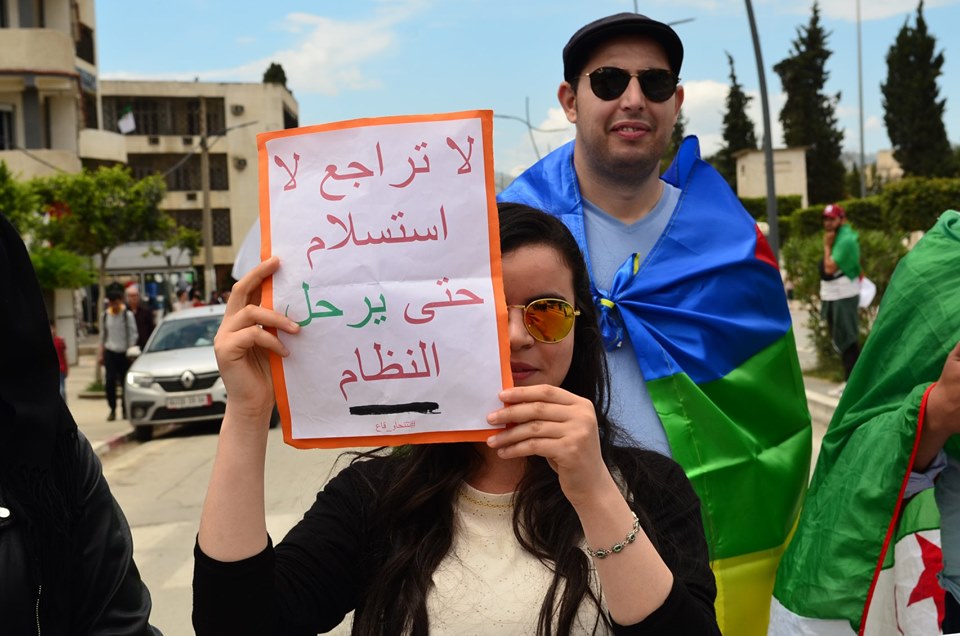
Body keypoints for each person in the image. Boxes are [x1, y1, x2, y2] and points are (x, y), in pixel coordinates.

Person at [193, 204, 720, 635]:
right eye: (486, 310)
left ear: (578, 328)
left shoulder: (651, 489)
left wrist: (594, 492)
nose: (518, 336)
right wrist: (246, 413)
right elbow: (237, 625)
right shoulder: (375, 497)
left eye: (548, 311)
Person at [496, 12, 811, 636]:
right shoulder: (503, 231)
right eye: (609, 81)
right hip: (539, 524)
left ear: (676, 102)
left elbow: (770, 414)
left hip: (700, 536)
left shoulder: (735, 244)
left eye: (655, 83)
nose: (633, 99)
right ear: (569, 99)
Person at [770, 209, 960, 635]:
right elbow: (876, 400)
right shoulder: (941, 262)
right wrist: (934, 414)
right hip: (936, 566)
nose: (830, 227)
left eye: (832, 222)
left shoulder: (849, 238)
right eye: (828, 223)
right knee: (850, 354)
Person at [0, 212, 160, 634]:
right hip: (109, 356)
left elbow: (118, 619)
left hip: (123, 358)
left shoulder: (54, 459)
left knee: (118, 389)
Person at [820, 202, 861, 382]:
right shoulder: (838, 237)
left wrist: (827, 246)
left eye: (832, 219)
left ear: (842, 219)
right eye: (825, 219)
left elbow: (829, 268)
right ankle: (849, 382)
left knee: (848, 339)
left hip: (843, 295)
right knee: (841, 340)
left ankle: (853, 383)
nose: (828, 223)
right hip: (836, 294)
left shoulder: (845, 240)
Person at [99, 284, 138, 421]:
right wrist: (101, 352)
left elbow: (134, 334)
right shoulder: (105, 315)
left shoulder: (127, 315)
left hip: (124, 352)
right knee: (109, 382)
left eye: (116, 302)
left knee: (124, 382)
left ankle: (125, 409)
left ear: (121, 301)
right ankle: (112, 409)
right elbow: (103, 335)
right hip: (110, 351)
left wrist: (130, 348)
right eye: (111, 302)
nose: (114, 305)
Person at [125, 284, 156, 350]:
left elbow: (151, 327)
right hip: (129, 346)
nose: (134, 298)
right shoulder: (124, 312)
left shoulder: (146, 311)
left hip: (144, 344)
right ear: (127, 297)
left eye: (136, 295)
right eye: (132, 296)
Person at [51, 320, 68, 401]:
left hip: (60, 369)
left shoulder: (59, 341)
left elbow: (65, 356)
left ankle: (64, 406)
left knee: (61, 389)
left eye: (52, 328)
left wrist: (67, 368)